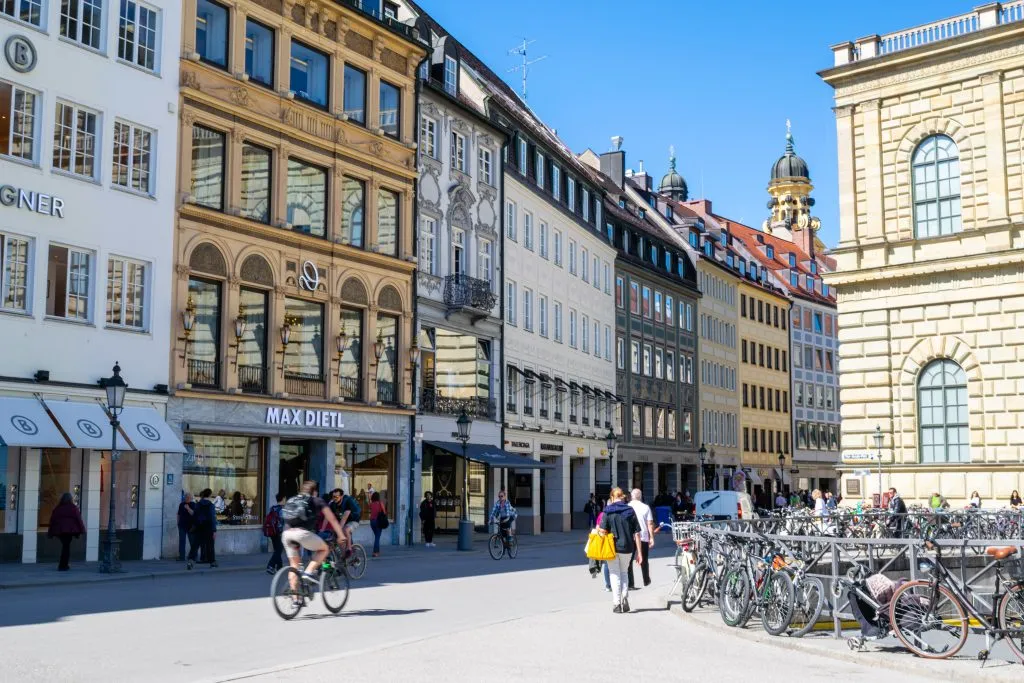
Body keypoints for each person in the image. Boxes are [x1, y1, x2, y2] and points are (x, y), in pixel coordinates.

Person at [281, 481, 346, 596]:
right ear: (314, 492)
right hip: (301, 533)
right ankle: (308, 572)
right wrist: (341, 535)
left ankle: (296, 600)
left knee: (294, 565)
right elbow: (332, 519)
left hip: (286, 534)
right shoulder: (316, 500)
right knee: (324, 549)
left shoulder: (293, 499)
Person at [598, 487, 643, 613]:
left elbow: (602, 531)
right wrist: (639, 553)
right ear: (622, 496)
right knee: (624, 572)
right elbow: (637, 533)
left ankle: (617, 603)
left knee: (614, 574)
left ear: (612, 497)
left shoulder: (608, 511)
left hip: (612, 547)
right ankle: (624, 597)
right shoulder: (630, 510)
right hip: (628, 547)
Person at [47, 493, 85, 571]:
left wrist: (50, 532)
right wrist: (82, 530)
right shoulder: (73, 508)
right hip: (69, 531)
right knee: (66, 547)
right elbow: (78, 519)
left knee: (65, 546)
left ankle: (63, 565)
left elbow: (52, 520)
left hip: (60, 531)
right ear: (70, 499)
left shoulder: (58, 508)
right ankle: (63, 565)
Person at [627, 488, 655, 590]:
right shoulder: (646, 507)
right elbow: (650, 523)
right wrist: (651, 537)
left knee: (628, 561)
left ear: (631, 496)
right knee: (644, 559)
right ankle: (646, 580)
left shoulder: (627, 507)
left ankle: (630, 583)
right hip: (643, 536)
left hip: (630, 537)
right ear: (640, 496)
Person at [187, 488, 218, 570]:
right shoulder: (211, 505)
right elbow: (212, 518)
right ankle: (212, 562)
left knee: (195, 545)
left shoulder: (198, 504)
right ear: (210, 495)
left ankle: (190, 561)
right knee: (210, 546)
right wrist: (214, 530)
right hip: (208, 528)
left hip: (199, 527)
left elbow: (194, 515)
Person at [333, 488, 361, 554]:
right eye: (333, 496)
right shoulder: (334, 504)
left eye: (336, 496)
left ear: (341, 496)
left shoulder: (347, 502)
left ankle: (349, 549)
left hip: (354, 520)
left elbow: (344, 517)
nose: (334, 498)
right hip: (346, 521)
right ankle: (344, 556)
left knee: (346, 529)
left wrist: (338, 529)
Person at [264, 493, 285, 574]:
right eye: (285, 499)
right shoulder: (281, 510)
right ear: (283, 499)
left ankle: (279, 568)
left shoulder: (272, 508)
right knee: (279, 550)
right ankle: (270, 565)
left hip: (271, 531)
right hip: (278, 532)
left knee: (277, 549)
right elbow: (282, 522)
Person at [177, 493, 195, 561]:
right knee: (182, 541)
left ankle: (193, 556)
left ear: (191, 498)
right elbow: (178, 514)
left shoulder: (193, 504)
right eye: (186, 497)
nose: (187, 498)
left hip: (190, 526)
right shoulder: (181, 504)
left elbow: (193, 513)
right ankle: (182, 557)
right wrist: (178, 522)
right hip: (182, 525)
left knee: (192, 541)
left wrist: (188, 508)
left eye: (188, 497)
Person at [369, 491, 387, 557]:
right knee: (377, 537)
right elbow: (384, 512)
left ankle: (377, 552)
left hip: (372, 522)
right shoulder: (380, 503)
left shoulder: (371, 504)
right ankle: (375, 552)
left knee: (377, 537)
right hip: (378, 521)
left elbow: (370, 510)